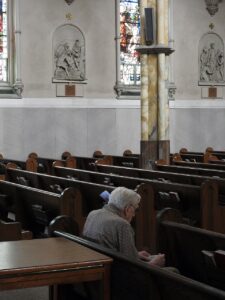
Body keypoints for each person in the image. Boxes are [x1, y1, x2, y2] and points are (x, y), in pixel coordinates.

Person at [83, 186, 165, 267]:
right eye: (135, 209)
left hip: (97, 265)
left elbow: (114, 249)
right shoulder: (122, 224)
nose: (134, 215)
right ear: (127, 209)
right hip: (115, 273)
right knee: (173, 270)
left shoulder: (93, 213)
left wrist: (135, 254)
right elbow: (132, 268)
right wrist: (154, 263)